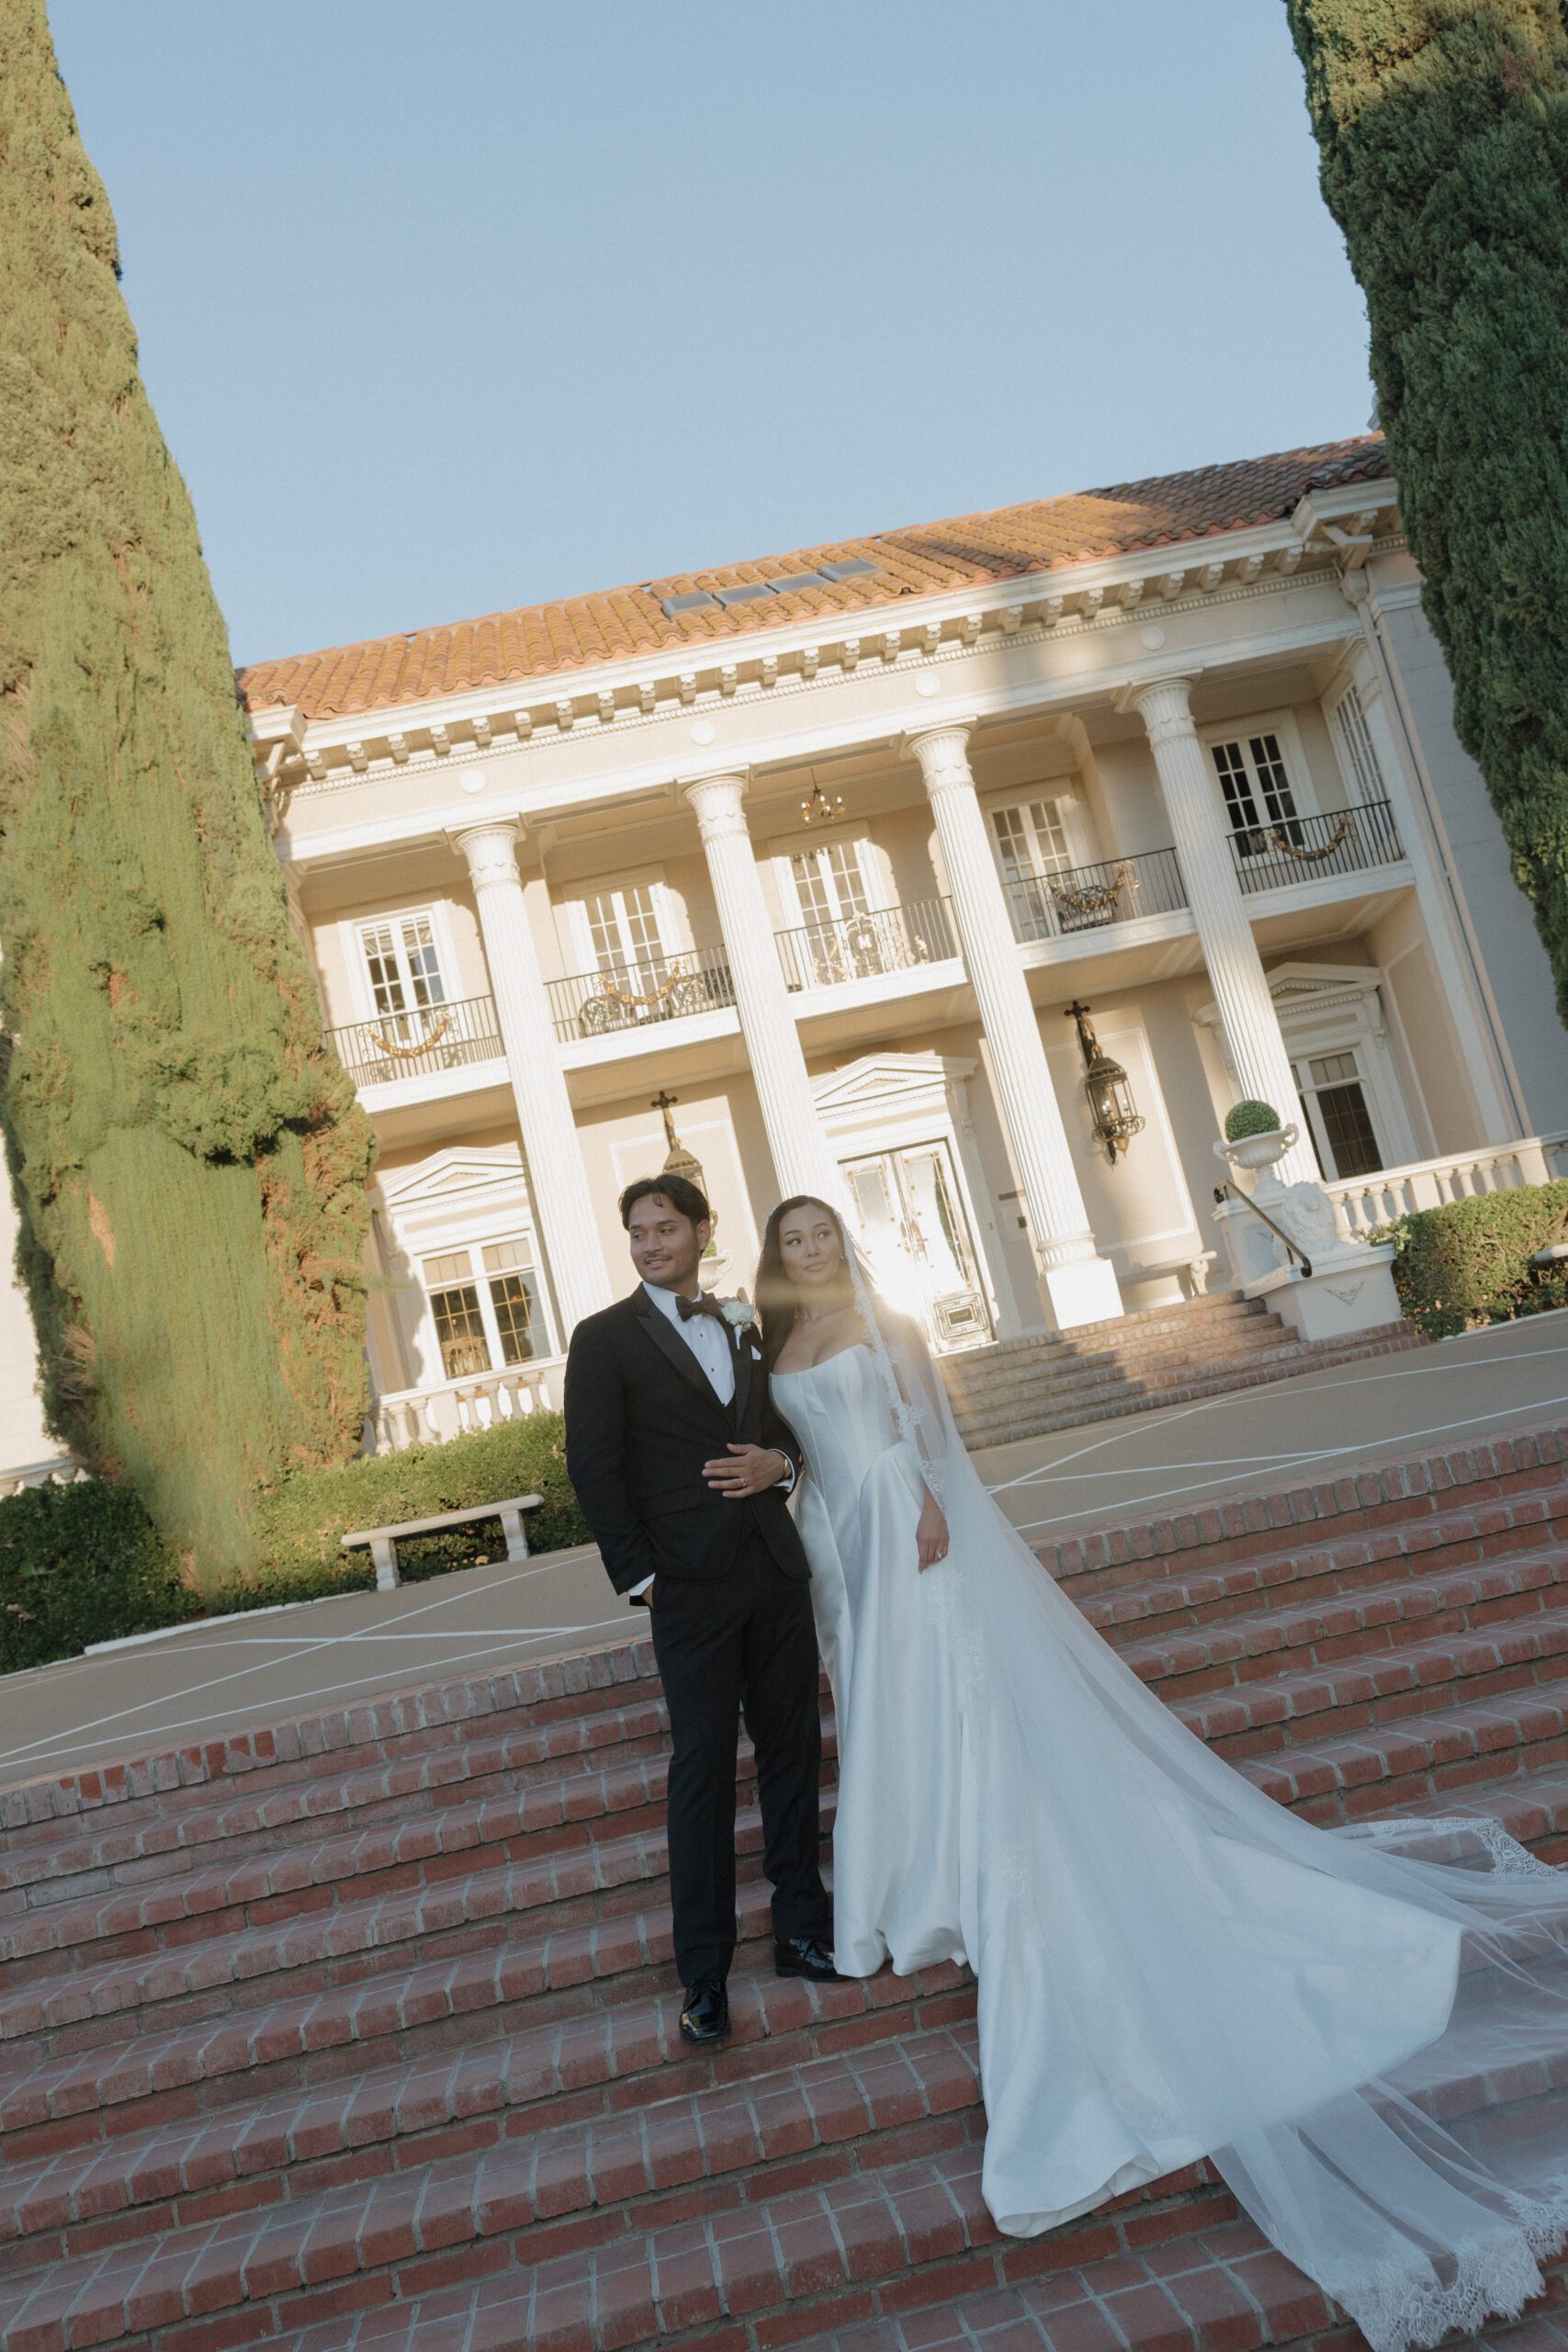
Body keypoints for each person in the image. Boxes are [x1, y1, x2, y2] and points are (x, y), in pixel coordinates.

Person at [758, 1192, 1568, 2352]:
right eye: (793, 1240)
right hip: (844, 1543)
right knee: (893, 1717)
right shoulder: (772, 1344)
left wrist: (933, 1498)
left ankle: (961, 1871)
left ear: (843, 1242)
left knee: (956, 1710)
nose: (811, 1251)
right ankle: (908, 1879)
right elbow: (802, 1456)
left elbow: (923, 1427)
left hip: (911, 1521)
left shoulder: (881, 1320)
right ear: (774, 1255)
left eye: (823, 1234)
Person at [564, 1174, 839, 2049]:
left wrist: (777, 1467)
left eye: (664, 1229)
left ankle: (799, 1931)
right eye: (636, 1232)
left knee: (793, 1755)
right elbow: (593, 1466)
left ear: (700, 1231)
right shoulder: (604, 1339)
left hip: (771, 1568)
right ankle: (704, 1975)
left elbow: (787, 1431)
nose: (649, 1244)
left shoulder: (743, 1325)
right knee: (702, 1773)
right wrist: (642, 1582)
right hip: (686, 1590)